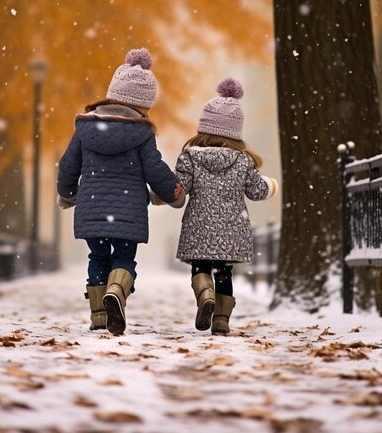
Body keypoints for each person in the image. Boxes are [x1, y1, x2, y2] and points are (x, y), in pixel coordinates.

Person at [57, 48, 182, 335]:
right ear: (143, 105)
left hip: (90, 208)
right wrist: (173, 193)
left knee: (98, 257)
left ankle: (99, 315)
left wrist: (66, 193)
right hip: (128, 212)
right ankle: (117, 290)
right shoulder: (142, 133)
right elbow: (155, 169)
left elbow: (68, 165)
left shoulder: (85, 127)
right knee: (124, 258)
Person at [174, 78, 278, 334]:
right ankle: (221, 320)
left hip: (198, 226)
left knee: (200, 268)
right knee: (224, 273)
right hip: (232, 229)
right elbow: (256, 191)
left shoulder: (190, 156)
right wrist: (271, 186)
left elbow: (180, 187)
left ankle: (205, 295)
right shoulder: (243, 161)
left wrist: (164, 191)